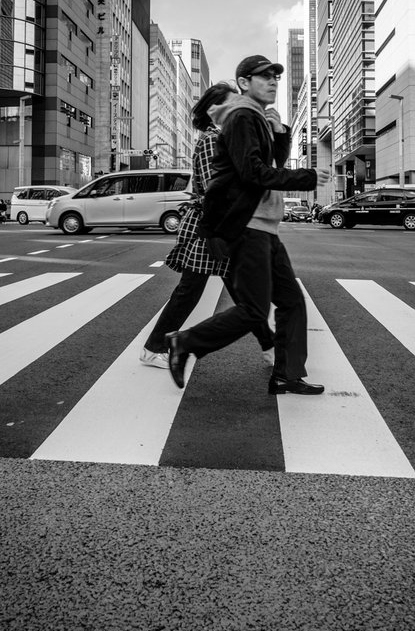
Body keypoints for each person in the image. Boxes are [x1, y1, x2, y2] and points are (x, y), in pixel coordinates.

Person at [166, 54, 330, 396]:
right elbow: (253, 173)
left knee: (291, 302)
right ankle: (185, 342)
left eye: (275, 77)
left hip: (264, 225)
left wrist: (279, 131)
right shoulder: (241, 116)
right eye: (264, 76)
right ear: (244, 82)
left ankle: (287, 374)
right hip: (248, 225)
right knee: (253, 308)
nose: (273, 81)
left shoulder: (254, 118)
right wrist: (308, 177)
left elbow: (271, 165)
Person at [140, 82, 275, 370]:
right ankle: (154, 348)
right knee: (195, 290)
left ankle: (271, 347)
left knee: (238, 292)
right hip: (213, 226)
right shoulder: (214, 139)